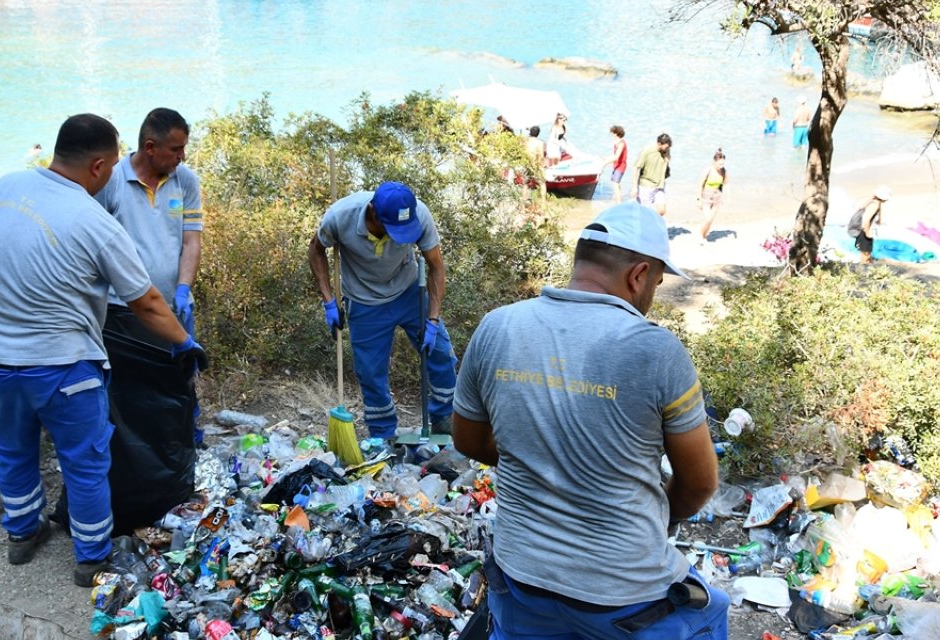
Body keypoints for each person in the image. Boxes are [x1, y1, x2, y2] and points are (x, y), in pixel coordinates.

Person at [452, 202, 728, 639]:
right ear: (638, 276)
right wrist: (661, 518)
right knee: (712, 612)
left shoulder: (496, 327)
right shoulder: (656, 351)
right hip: (622, 593)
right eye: (656, 282)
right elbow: (699, 483)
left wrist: (535, 455)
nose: (652, 294)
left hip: (519, 575)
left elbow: (468, 440)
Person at [0, 114, 206, 587]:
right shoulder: (93, 220)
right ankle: (91, 558)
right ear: (99, 166)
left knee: (13, 451)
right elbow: (144, 302)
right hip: (62, 365)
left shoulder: (3, 187)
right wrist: (184, 342)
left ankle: (21, 535)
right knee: (85, 460)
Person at [307, 182, 458, 438]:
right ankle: (383, 434)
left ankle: (445, 418)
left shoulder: (419, 214)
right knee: (370, 372)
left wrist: (432, 319)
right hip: (364, 301)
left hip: (410, 291)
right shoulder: (340, 216)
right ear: (374, 213)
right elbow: (316, 249)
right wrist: (329, 300)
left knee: (441, 353)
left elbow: (436, 266)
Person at [95, 107, 206, 446]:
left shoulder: (184, 180)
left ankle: (183, 447)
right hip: (123, 311)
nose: (181, 157)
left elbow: (191, 240)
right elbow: (92, 245)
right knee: (133, 393)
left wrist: (184, 288)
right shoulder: (111, 182)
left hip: (172, 305)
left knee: (181, 380)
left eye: (183, 148)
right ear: (149, 147)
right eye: (175, 150)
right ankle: (138, 459)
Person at [632, 133, 672, 216]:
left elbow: (665, 166)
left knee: (662, 211)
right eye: (666, 147)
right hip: (646, 186)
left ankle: (651, 221)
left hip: (660, 186)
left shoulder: (666, 152)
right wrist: (634, 187)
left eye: (668, 148)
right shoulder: (647, 151)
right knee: (644, 212)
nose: (667, 149)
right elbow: (636, 168)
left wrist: (667, 159)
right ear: (659, 144)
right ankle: (645, 224)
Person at [696, 148, 728, 242]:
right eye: (719, 164)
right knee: (708, 219)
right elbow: (700, 185)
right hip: (706, 198)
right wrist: (698, 199)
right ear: (714, 161)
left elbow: (727, 182)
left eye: (723, 164)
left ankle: (704, 236)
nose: (721, 166)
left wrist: (728, 197)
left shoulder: (723, 171)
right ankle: (700, 235)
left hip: (717, 198)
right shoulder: (708, 170)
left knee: (710, 222)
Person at [853, 186, 891, 263]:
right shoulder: (875, 204)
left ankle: (865, 265)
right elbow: (866, 219)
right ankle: (864, 268)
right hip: (865, 231)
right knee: (866, 254)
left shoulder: (871, 202)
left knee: (865, 253)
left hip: (861, 230)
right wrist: (867, 233)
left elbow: (861, 209)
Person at [605, 125, 628, 203]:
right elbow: (615, 156)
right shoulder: (617, 142)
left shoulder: (621, 143)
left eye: (612, 133)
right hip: (616, 165)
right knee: (616, 184)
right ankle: (618, 199)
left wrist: (605, 163)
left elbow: (616, 157)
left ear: (615, 134)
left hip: (620, 166)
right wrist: (606, 158)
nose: (611, 135)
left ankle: (618, 203)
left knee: (615, 184)